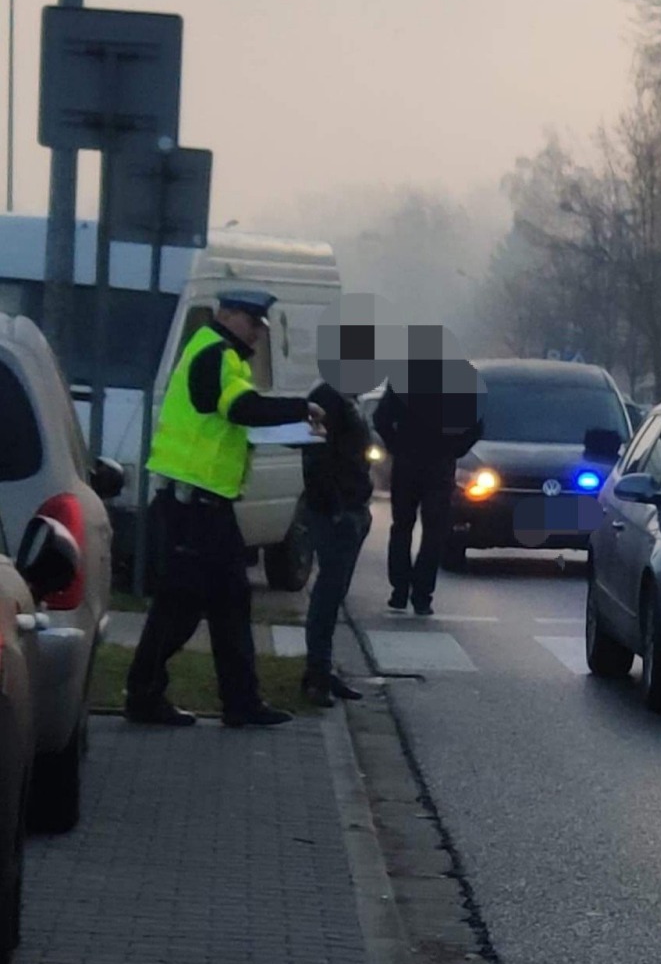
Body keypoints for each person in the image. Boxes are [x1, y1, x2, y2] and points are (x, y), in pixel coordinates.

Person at [125, 290, 325, 728]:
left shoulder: (223, 356)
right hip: (191, 505)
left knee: (228, 603)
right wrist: (299, 409)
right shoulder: (215, 354)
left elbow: (229, 424)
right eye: (251, 321)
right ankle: (148, 695)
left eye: (260, 325)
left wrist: (285, 431)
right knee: (182, 608)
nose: (257, 331)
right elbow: (241, 409)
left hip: (205, 505)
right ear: (226, 315)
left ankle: (239, 702)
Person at [374, 363, 482, 616]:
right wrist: (454, 450)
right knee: (434, 532)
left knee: (401, 527)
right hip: (439, 467)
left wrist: (396, 445)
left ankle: (399, 591)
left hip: (406, 464)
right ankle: (422, 596)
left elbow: (380, 419)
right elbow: (475, 426)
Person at [299, 365, 375, 706]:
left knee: (335, 593)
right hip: (335, 511)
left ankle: (323, 670)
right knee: (328, 594)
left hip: (352, 506)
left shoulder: (348, 398)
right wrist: (336, 508)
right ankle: (317, 676)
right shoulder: (326, 397)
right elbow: (316, 458)